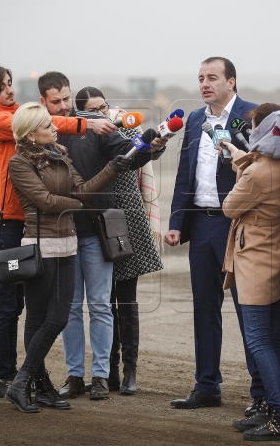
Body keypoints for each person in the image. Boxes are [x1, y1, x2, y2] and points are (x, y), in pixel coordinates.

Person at [0, 65, 106, 403]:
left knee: (35, 310)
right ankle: (1, 376)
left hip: (30, 223)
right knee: (6, 305)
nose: (11, 91)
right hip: (5, 222)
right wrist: (86, 123)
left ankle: (33, 378)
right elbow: (42, 123)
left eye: (11, 84)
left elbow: (43, 121)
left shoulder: (16, 114)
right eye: (3, 87)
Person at [37, 72, 165, 401]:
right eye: (58, 101)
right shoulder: (42, 134)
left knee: (100, 306)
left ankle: (101, 377)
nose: (64, 106)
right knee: (68, 309)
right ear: (44, 102)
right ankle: (75, 375)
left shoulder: (96, 128)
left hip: (96, 231)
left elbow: (130, 152)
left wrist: (149, 146)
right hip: (62, 232)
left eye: (67, 98)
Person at [4, 102, 133, 413]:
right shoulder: (19, 163)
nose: (55, 128)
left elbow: (84, 191)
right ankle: (27, 383)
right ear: (31, 134)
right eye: (48, 125)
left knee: (58, 317)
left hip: (68, 245)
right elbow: (46, 202)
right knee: (39, 320)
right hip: (41, 246)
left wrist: (112, 168)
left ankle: (36, 385)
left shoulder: (60, 155)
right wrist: (81, 205)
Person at [165, 57, 263, 413]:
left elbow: (258, 166)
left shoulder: (251, 116)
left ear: (231, 82)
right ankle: (207, 386)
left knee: (246, 308)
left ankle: (261, 393)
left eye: (212, 78)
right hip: (202, 224)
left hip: (236, 224)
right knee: (205, 309)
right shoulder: (194, 120)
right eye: (200, 78)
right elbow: (184, 174)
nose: (204, 84)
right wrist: (176, 221)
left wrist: (230, 144)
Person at [75, 87, 165, 395]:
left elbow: (142, 153)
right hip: (100, 221)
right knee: (103, 303)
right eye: (93, 110)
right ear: (81, 115)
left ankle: (130, 372)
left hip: (130, 222)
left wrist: (156, 145)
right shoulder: (80, 140)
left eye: (104, 107)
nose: (103, 114)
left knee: (126, 300)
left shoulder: (127, 127)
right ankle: (108, 371)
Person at [220, 104, 280, 440]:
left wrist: (242, 164)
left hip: (253, 254)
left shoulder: (257, 172)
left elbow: (230, 207)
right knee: (276, 337)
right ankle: (270, 406)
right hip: (276, 247)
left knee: (257, 340)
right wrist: (239, 153)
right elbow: (263, 165)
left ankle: (279, 413)